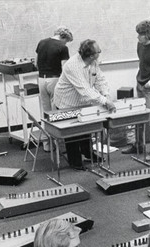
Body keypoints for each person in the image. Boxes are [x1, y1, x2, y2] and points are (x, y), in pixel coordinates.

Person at [53, 39, 116, 170]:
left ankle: (87, 152)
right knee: (73, 132)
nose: (100, 53)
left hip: (83, 103)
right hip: (67, 103)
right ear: (92, 55)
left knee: (86, 128)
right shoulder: (72, 66)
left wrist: (106, 94)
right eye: (99, 51)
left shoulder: (93, 61)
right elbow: (85, 90)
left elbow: (99, 79)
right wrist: (104, 101)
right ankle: (75, 161)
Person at [122, 20, 150, 161]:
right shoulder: (140, 45)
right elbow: (143, 64)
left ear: (147, 35)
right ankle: (139, 145)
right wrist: (140, 81)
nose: (138, 37)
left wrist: (149, 83)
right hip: (140, 85)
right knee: (138, 117)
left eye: (140, 35)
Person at [35, 26, 73, 114]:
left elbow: (36, 63)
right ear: (63, 37)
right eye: (66, 41)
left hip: (41, 80)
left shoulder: (41, 42)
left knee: (46, 110)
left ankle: (46, 127)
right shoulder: (63, 47)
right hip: (54, 80)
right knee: (56, 109)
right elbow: (65, 68)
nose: (66, 43)